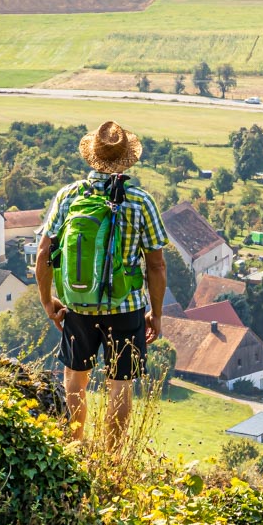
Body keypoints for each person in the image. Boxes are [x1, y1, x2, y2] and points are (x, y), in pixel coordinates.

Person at [36, 121, 168, 447]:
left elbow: (44, 253)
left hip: (78, 304)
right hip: (126, 309)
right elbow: (156, 264)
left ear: (92, 158)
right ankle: (110, 459)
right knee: (120, 382)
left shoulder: (68, 197)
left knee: (75, 378)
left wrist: (48, 301)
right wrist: (157, 313)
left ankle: (74, 446)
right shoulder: (140, 201)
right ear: (127, 160)